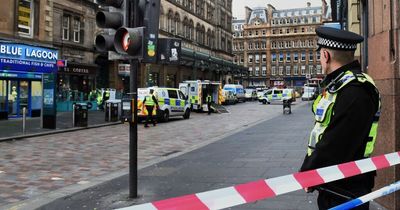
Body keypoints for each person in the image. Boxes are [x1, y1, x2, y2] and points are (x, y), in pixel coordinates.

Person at [300, 27, 381, 209]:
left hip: (346, 188)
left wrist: (308, 173)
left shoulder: (355, 91)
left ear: (326, 55)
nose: (320, 59)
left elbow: (336, 142)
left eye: (320, 55)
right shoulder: (342, 85)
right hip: (334, 183)